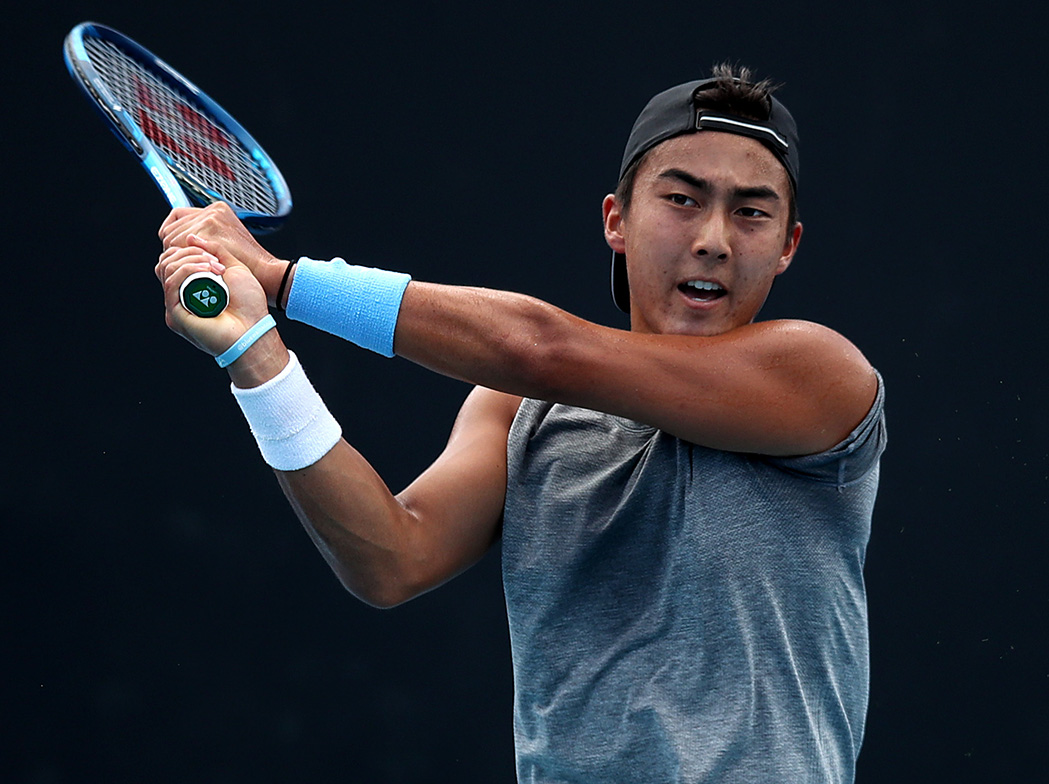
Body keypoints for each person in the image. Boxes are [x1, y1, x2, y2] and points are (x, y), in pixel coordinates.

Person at [156, 64, 886, 783]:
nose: (714, 238)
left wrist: (282, 278)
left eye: (750, 212)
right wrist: (257, 354)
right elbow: (389, 559)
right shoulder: (516, 415)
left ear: (787, 245)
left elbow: (537, 350)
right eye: (683, 200)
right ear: (616, 221)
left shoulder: (819, 376)